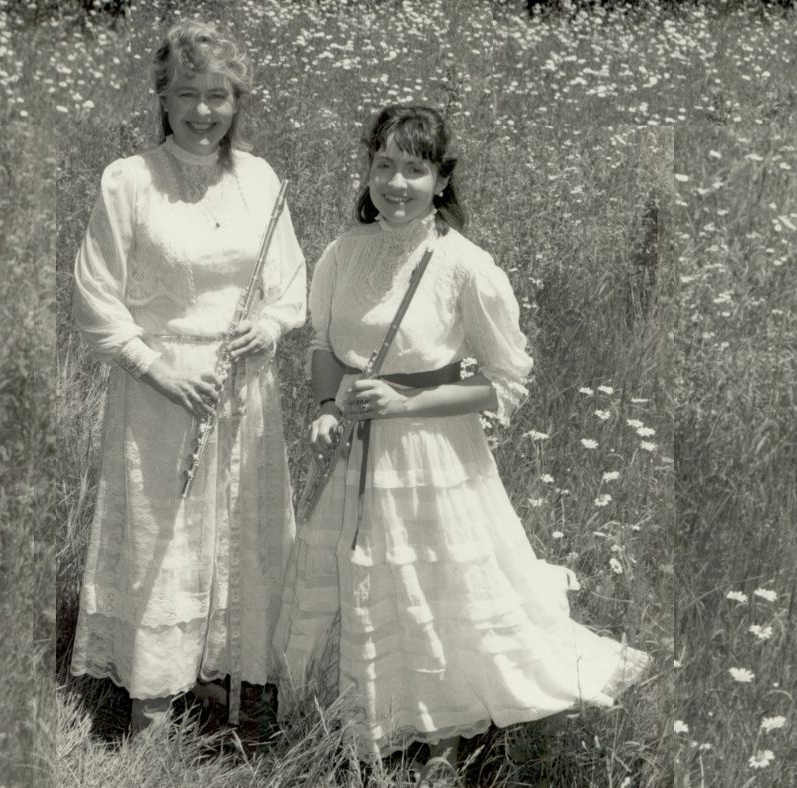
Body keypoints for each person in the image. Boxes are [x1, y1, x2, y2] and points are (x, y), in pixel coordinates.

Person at [274, 104, 649, 761]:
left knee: (435, 590)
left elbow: (501, 381)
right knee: (366, 582)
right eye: (383, 165)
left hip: (437, 460)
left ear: (441, 180)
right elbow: (325, 350)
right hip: (360, 458)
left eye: (414, 169)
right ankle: (363, 721)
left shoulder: (465, 266)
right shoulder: (341, 252)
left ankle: (444, 740)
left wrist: (403, 399)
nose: (395, 183)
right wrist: (330, 408)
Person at [69, 20, 306, 733]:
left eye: (219, 96)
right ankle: (151, 701)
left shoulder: (261, 178)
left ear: (238, 101)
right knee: (161, 541)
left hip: (244, 390)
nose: (204, 112)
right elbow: (95, 302)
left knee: (238, 537)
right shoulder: (128, 179)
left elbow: (291, 287)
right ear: (163, 100)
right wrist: (161, 371)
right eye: (187, 95)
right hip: (158, 394)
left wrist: (267, 328)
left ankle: (223, 679)